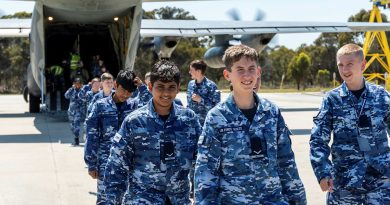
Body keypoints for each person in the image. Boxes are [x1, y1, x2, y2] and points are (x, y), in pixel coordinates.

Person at [194, 45, 306, 204]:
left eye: (251, 68)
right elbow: (206, 171)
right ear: (227, 74)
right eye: (239, 69)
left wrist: (298, 200)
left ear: (258, 72)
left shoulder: (271, 112)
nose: (247, 75)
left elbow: (286, 161)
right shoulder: (217, 117)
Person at [103, 60, 202, 204]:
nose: (166, 93)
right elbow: (116, 167)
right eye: (160, 87)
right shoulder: (134, 122)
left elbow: (202, 160)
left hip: (178, 200)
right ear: (150, 87)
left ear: (178, 88)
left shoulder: (189, 120)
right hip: (142, 200)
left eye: (171, 87)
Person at [309, 43, 390, 205]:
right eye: (341, 65)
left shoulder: (381, 96)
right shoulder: (331, 100)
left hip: (381, 180)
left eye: (349, 64)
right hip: (344, 180)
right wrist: (323, 172)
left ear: (362, 65)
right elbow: (318, 139)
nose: (344, 70)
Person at [84, 70, 145, 205]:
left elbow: (151, 104)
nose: (125, 95)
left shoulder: (134, 106)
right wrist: (91, 163)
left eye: (129, 92)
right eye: (123, 90)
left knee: (128, 199)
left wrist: (141, 86)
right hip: (106, 163)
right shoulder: (100, 105)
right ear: (115, 85)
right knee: (105, 200)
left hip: (130, 163)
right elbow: (92, 135)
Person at [187, 60, 221, 125]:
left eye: (191, 70)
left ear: (198, 71)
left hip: (206, 124)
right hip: (192, 123)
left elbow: (217, 109)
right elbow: (189, 105)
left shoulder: (211, 86)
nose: (189, 72)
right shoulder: (190, 84)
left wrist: (201, 100)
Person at [64, 78, 84, 146]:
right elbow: (66, 96)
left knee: (77, 125)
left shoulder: (82, 91)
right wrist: (71, 89)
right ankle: (76, 135)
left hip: (78, 111)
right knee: (72, 126)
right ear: (74, 84)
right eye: (76, 83)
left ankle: (76, 139)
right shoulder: (71, 90)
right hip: (71, 111)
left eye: (79, 83)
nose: (77, 85)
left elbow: (84, 98)